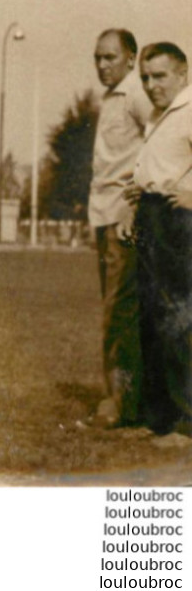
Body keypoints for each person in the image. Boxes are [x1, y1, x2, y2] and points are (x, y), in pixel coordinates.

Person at [125, 42, 192, 440]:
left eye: (160, 76)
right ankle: (158, 420)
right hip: (151, 216)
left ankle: (185, 423)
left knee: (177, 319)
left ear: (183, 74)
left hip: (179, 222)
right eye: (146, 78)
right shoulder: (158, 115)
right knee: (149, 317)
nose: (151, 85)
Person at [86, 28, 151, 429]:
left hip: (124, 218)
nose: (102, 65)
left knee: (119, 312)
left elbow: (160, 138)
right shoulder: (111, 99)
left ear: (131, 58)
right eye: (97, 57)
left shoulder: (138, 96)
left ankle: (120, 401)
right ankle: (127, 396)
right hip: (102, 214)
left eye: (110, 57)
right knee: (117, 309)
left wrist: (138, 196)